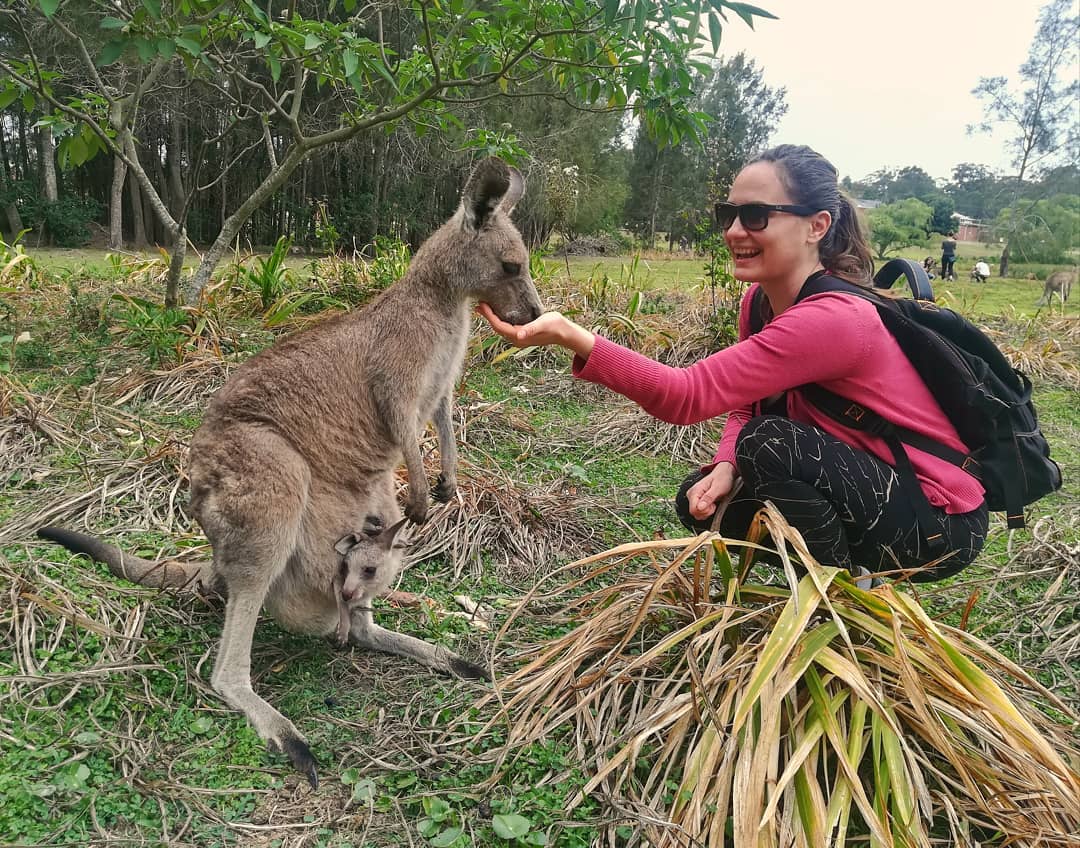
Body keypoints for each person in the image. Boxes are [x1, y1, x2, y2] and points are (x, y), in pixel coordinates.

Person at [478, 144, 988, 583]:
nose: (735, 230)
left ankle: (837, 599)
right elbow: (747, 407)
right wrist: (725, 466)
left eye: (757, 216)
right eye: (730, 215)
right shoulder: (761, 303)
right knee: (702, 501)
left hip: (936, 519)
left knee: (767, 446)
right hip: (868, 486)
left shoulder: (834, 319)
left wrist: (574, 336)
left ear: (817, 225)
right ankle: (839, 574)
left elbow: (686, 396)